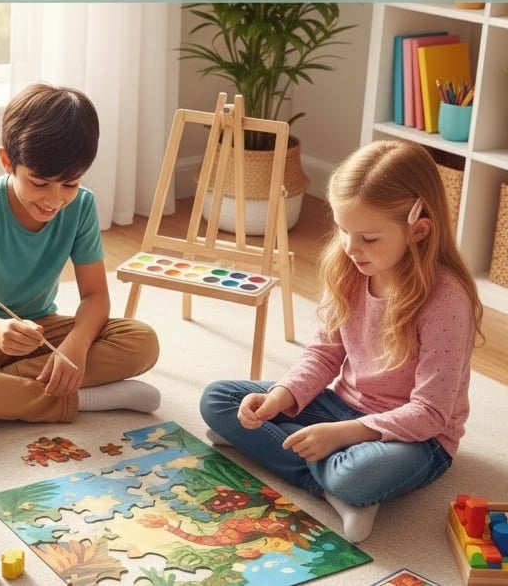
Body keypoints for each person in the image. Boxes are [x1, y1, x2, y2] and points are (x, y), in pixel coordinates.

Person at [200, 139, 483, 543]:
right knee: (219, 399)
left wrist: (344, 435)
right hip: (340, 406)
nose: (351, 248)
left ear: (418, 230)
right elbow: (323, 355)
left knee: (355, 474)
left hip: (419, 439)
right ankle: (334, 490)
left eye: (368, 238)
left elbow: (431, 414)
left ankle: (335, 484)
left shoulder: (445, 300)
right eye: (344, 230)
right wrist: (280, 397)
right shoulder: (349, 268)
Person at [0, 82, 161, 437]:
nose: (54, 200)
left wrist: (76, 345)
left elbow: (95, 296)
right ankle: (85, 400)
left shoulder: (82, 206)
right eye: (40, 183)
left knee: (142, 342)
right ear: (6, 161)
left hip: (38, 328)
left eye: (70, 184)